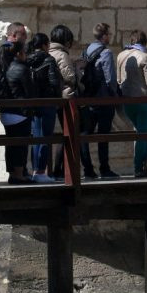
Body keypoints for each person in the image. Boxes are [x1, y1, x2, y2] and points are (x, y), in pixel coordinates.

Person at [80, 23, 119, 180]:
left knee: (85, 134)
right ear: (104, 36)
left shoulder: (86, 50)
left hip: (89, 98)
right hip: (104, 99)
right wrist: (115, 95)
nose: (110, 37)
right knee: (104, 136)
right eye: (108, 34)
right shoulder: (106, 53)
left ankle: (88, 169)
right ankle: (104, 168)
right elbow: (110, 79)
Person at [117, 30, 147, 177]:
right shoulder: (145, 56)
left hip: (127, 101)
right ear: (144, 42)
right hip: (144, 101)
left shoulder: (121, 55)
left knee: (142, 132)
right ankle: (138, 168)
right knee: (143, 134)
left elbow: (118, 79)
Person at [26, 32, 61, 183]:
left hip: (33, 103)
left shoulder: (27, 60)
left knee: (36, 138)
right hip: (47, 103)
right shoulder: (49, 59)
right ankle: (41, 171)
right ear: (45, 45)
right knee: (46, 137)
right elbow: (54, 83)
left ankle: (35, 170)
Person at [1, 41, 35, 184]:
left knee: (10, 144)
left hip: (6, 112)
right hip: (19, 112)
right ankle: (19, 175)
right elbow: (30, 91)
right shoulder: (22, 68)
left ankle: (12, 174)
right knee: (21, 144)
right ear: (20, 54)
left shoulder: (7, 66)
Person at [48, 25, 77, 179]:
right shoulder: (62, 55)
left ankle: (54, 170)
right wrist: (78, 69)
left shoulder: (48, 51)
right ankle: (60, 169)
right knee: (69, 132)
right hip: (65, 98)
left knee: (50, 134)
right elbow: (69, 77)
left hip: (50, 98)